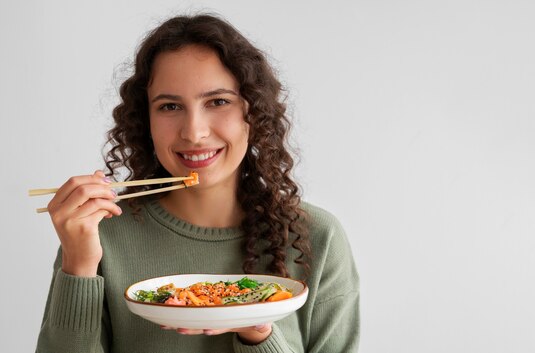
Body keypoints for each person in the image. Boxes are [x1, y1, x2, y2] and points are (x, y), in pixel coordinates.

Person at [35, 13, 359, 353]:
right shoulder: (100, 233)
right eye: (170, 106)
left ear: (254, 112)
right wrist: (79, 264)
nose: (194, 131)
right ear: (145, 120)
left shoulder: (316, 237)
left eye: (218, 102)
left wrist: (259, 332)